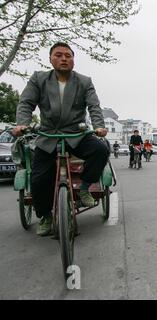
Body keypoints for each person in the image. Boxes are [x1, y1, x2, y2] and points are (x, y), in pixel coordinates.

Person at [12, 42, 108, 236]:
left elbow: (94, 106)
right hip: (47, 136)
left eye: (68, 55)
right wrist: (22, 124)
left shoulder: (84, 81)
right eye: (58, 55)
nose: (64, 58)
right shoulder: (39, 79)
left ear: (73, 60)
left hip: (76, 135)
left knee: (101, 150)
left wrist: (98, 126)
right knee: (39, 179)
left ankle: (84, 189)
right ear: (51, 59)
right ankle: (46, 216)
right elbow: (26, 103)